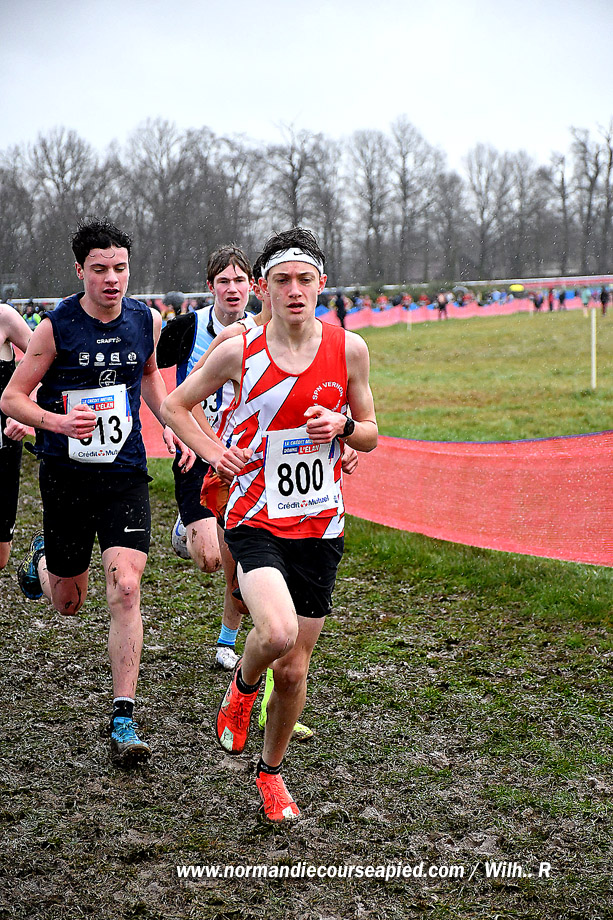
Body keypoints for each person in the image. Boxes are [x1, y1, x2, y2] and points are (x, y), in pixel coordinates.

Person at [162, 227, 377, 823]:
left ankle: (271, 772)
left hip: (320, 521)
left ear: (322, 284)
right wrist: (212, 451)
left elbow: (370, 433)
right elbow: (176, 405)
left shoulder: (350, 349)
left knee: (296, 669)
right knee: (276, 634)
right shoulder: (239, 348)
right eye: (282, 280)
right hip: (254, 515)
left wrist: (343, 429)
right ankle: (241, 686)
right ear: (263, 288)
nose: (295, 290)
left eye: (305, 279)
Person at [1, 218, 194, 767]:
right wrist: (55, 422)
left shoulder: (145, 320)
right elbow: (12, 398)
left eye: (121, 268)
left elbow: (150, 377)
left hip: (124, 473)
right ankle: (43, 562)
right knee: (68, 603)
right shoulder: (55, 327)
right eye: (100, 269)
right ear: (79, 270)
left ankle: (123, 716)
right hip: (65, 475)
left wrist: (173, 426)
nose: (112, 279)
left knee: (127, 587)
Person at [157, 245, 257, 670]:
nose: (232, 289)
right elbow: (147, 372)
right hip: (195, 449)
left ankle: (226, 642)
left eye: (239, 280)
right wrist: (167, 424)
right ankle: (186, 526)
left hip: (241, 457)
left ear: (252, 286)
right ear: (210, 286)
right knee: (209, 560)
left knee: (237, 555)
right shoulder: (186, 328)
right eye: (223, 281)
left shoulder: (262, 330)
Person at [0, 303, 33, 569]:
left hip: (3, 448)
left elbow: (48, 363)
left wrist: (25, 412)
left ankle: (39, 561)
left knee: (0, 556)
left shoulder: (4, 317)